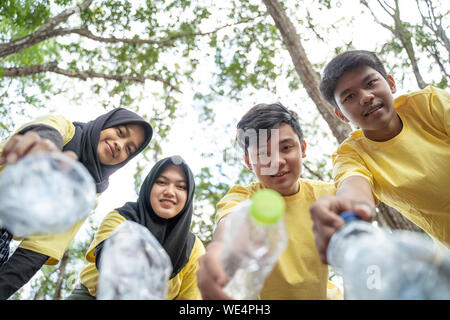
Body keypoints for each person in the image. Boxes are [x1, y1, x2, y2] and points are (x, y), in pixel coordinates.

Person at [309, 50, 450, 265]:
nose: (365, 97)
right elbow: (353, 186)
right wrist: (348, 210)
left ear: (391, 83)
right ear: (340, 114)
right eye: (349, 97)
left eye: (371, 83)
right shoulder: (352, 155)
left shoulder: (429, 104)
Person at [0, 108, 153, 299]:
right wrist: (47, 155)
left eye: (129, 149)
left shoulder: (87, 195)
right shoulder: (65, 130)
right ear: (105, 124)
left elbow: (38, 249)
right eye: (120, 133)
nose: (120, 145)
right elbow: (47, 133)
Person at [197, 102, 342, 300]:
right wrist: (220, 252)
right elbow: (229, 225)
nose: (277, 161)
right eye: (264, 154)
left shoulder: (328, 196)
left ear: (303, 148)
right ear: (249, 162)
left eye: (286, 148)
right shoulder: (242, 197)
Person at [66, 156, 205, 300]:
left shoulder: (193, 248)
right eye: (161, 182)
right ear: (149, 186)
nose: (170, 192)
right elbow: (108, 261)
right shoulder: (121, 218)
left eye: (181, 186)